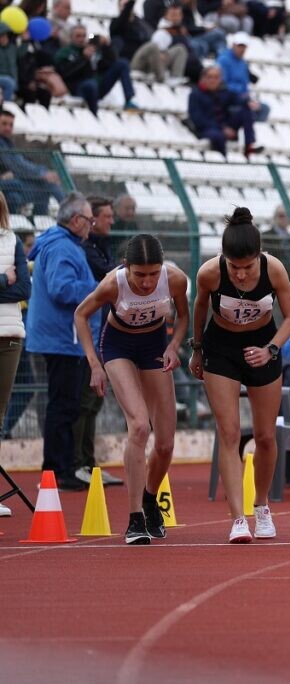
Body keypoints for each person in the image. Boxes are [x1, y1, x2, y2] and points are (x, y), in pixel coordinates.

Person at [188, 207, 290, 542]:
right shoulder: (209, 273)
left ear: (258, 258)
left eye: (247, 267)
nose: (240, 275)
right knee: (230, 432)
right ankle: (238, 519)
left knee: (265, 436)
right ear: (224, 259)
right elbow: (199, 308)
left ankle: (261, 506)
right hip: (221, 349)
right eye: (234, 267)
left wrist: (271, 350)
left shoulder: (274, 269)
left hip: (263, 346)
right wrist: (197, 349)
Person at [72, 235, 189, 544]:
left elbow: (184, 315)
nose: (148, 282)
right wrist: (94, 365)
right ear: (127, 267)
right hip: (117, 345)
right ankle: (135, 518)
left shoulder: (175, 279)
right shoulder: (113, 283)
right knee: (139, 426)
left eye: (153, 274)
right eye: (140, 275)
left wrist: (174, 346)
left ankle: (151, 500)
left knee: (164, 443)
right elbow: (81, 315)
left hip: (153, 344)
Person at [25, 193, 100, 492]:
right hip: (62, 338)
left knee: (64, 404)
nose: (91, 226)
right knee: (64, 405)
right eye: (90, 220)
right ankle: (57, 469)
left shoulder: (60, 244)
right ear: (76, 220)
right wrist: (99, 288)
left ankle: (60, 467)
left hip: (61, 337)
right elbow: (62, 289)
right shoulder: (62, 248)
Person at [72, 196, 122, 487]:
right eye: (106, 216)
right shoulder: (86, 251)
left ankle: (87, 463)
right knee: (84, 401)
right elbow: (108, 280)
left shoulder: (100, 248)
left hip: (100, 331)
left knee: (93, 401)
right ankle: (78, 463)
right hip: (86, 334)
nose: (111, 221)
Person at [0, 192, 31, 518]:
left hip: (9, 334)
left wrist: (11, 281)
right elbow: (12, 284)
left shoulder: (11, 242)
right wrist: (2, 279)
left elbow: (24, 289)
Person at [54, 25, 140, 115]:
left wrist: (107, 46)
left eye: (84, 36)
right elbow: (65, 73)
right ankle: (94, 115)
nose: (81, 39)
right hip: (79, 87)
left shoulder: (92, 48)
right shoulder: (65, 52)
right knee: (91, 85)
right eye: (78, 36)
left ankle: (129, 100)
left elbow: (109, 62)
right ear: (71, 37)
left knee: (122, 63)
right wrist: (83, 58)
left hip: (98, 85)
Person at [187, 65, 263, 157]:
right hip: (207, 128)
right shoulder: (195, 95)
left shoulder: (223, 92)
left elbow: (238, 99)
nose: (213, 80)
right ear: (203, 78)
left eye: (216, 77)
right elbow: (197, 119)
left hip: (224, 125)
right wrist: (222, 129)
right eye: (210, 77)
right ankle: (225, 159)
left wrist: (249, 102)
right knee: (218, 136)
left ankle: (249, 146)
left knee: (246, 111)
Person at [0, 109, 65, 216]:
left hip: (11, 185)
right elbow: (16, 165)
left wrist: (42, 172)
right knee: (47, 184)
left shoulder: (7, 142)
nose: (8, 128)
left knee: (16, 196)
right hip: (4, 184)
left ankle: (38, 221)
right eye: (4, 124)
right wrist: (42, 174)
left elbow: (19, 162)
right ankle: (69, 211)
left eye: (11, 125)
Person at [217, 32, 270, 122]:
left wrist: (247, 98)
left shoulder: (243, 63)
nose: (242, 49)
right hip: (231, 98)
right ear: (233, 45)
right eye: (240, 46)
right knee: (247, 110)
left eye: (244, 46)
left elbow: (245, 84)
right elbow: (222, 84)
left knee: (265, 108)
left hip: (244, 98)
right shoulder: (223, 60)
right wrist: (243, 97)